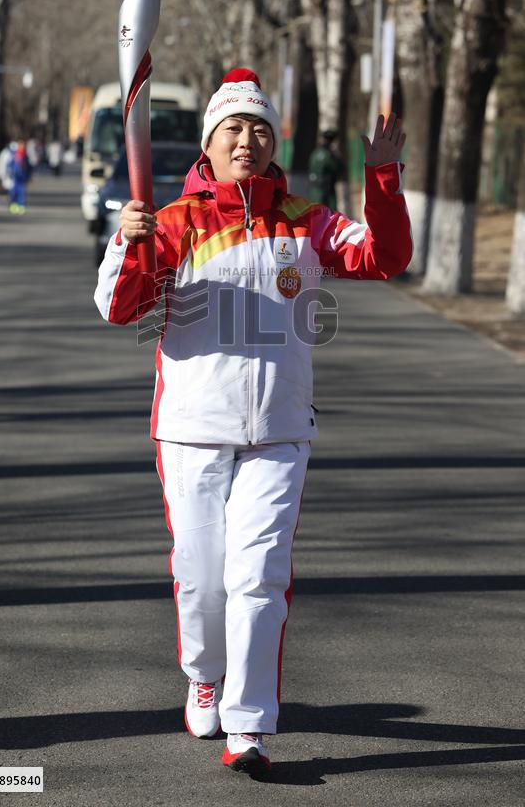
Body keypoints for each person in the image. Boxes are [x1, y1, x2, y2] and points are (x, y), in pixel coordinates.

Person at [94, 68, 412, 778]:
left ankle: (250, 727)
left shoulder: (306, 220)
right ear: (209, 143)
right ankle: (203, 674)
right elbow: (120, 308)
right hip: (191, 429)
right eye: (234, 128)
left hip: (279, 431)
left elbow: (386, 257)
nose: (248, 140)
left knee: (259, 578)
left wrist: (383, 178)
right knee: (202, 581)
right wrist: (128, 240)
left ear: (273, 144)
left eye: (260, 129)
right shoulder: (172, 221)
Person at [308, 129, 339, 208]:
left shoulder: (315, 153)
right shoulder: (329, 155)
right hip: (326, 192)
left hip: (314, 189)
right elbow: (337, 168)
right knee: (330, 216)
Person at [7, 140, 32, 214]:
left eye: (23, 146)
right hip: (15, 177)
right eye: (21, 146)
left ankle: (21, 207)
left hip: (22, 178)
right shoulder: (14, 155)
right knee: (14, 193)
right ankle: (13, 207)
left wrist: (28, 176)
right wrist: (10, 173)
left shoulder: (25, 156)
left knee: (22, 193)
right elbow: (10, 165)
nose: (22, 147)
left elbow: (29, 168)